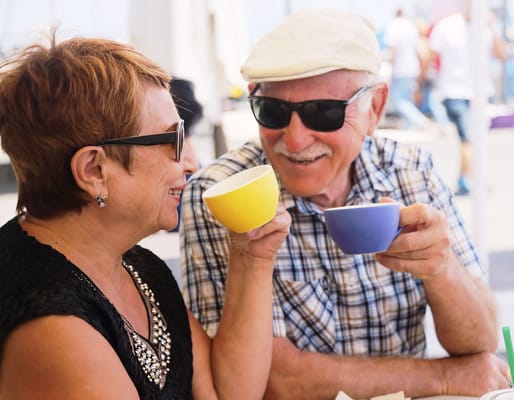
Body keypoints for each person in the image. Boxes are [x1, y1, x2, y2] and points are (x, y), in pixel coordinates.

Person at [180, 9, 509, 400]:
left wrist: (443, 270)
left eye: (324, 112)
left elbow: (480, 340)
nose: (296, 139)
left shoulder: (410, 171)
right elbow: (273, 379)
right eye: (273, 111)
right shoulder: (223, 194)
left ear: (376, 108)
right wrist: (444, 379)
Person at [0, 32, 291, 399]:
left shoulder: (136, 267)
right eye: (174, 140)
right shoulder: (50, 326)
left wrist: (253, 257)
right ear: (94, 170)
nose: (191, 163)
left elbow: (225, 393)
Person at [428, 3, 506, 195]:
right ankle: (469, 180)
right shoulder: (446, 26)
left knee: (474, 138)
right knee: (468, 137)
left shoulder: (485, 27)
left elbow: (501, 54)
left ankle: (466, 177)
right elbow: (431, 54)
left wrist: (493, 27)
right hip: (454, 91)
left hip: (480, 93)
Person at [383, 8, 434, 130]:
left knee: (399, 101)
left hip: (401, 69)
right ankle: (410, 126)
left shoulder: (393, 26)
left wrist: (392, 69)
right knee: (407, 100)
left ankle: (421, 122)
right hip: (412, 68)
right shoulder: (410, 26)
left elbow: (393, 51)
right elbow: (418, 49)